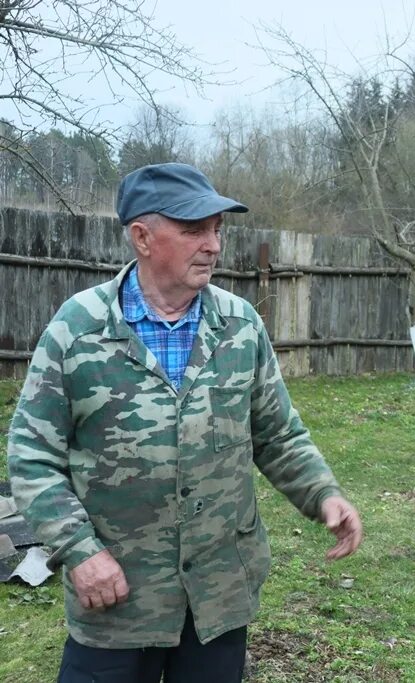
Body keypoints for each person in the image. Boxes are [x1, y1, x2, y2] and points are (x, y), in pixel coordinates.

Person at [7, 162, 364, 683]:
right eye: (195, 229)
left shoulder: (240, 326)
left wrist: (323, 493)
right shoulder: (77, 330)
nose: (214, 245)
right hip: (117, 596)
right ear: (142, 237)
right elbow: (31, 456)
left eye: (218, 229)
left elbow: (277, 433)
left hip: (218, 595)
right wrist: (80, 551)